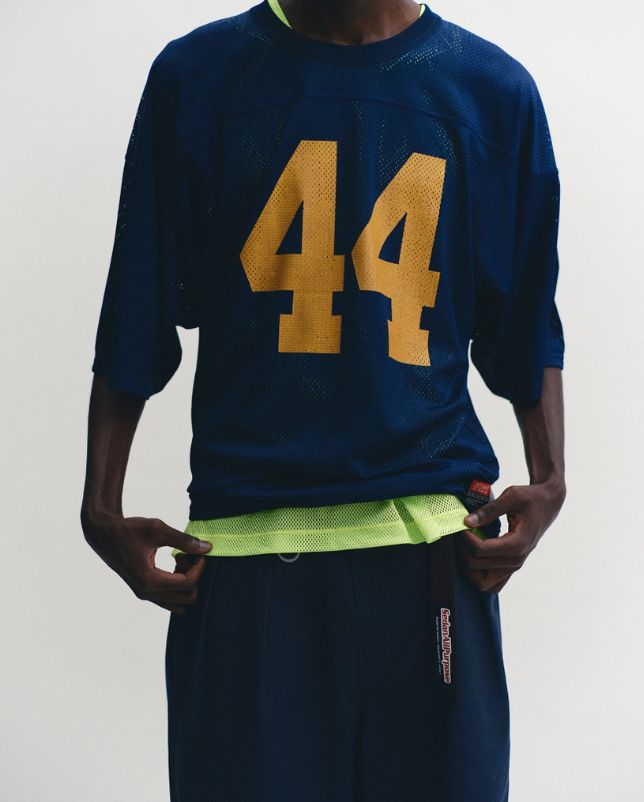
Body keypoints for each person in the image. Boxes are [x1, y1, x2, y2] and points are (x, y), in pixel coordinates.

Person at [80, 1, 566, 799]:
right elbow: (137, 302)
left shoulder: (492, 92)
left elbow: (525, 316)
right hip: (248, 560)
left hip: (432, 556)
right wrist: (100, 501)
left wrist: (551, 477)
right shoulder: (197, 78)